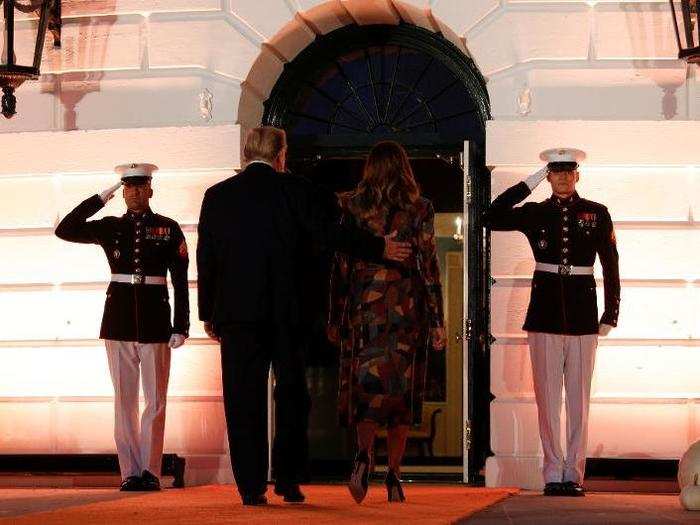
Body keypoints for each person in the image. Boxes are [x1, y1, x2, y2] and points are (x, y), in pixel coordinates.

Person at [196, 127, 411, 506]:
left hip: (237, 315)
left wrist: (208, 313)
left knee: (242, 400)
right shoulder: (297, 191)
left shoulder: (217, 196)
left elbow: (207, 258)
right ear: (281, 155)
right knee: (293, 396)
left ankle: (250, 487)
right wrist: (380, 247)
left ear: (247, 154)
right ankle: (288, 481)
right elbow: (332, 235)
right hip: (288, 314)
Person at [486, 148, 620, 497]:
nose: (562, 178)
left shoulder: (597, 213)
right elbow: (491, 215)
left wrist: (611, 312)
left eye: (568, 172)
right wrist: (528, 181)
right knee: (547, 400)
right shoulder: (535, 212)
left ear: (577, 175)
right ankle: (552, 473)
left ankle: (573, 473)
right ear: (548, 176)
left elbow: (610, 263)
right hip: (544, 313)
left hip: (581, 315)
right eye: (554, 172)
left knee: (578, 401)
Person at [55, 163, 189, 492]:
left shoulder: (168, 228)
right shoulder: (110, 226)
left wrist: (180, 325)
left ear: (151, 190)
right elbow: (66, 229)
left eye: (140, 187)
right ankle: (129, 471)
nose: (134, 193)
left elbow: (181, 281)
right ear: (122, 192)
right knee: (124, 401)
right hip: (118, 321)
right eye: (127, 188)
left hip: (156, 321)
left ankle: (151, 471)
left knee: (155, 401)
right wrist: (101, 197)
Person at [327, 141, 446, 504]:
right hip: (408, 312)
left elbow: (340, 264)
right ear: (404, 168)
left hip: (365, 313)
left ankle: (364, 454)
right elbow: (428, 265)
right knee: (401, 398)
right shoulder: (420, 208)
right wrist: (438, 319)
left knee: (367, 392)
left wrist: (336, 315)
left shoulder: (350, 205)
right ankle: (394, 474)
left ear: (369, 168)